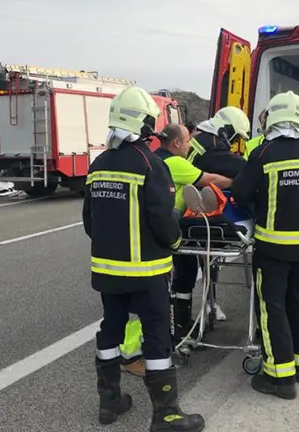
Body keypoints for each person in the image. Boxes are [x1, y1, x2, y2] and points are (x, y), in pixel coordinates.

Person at [83, 85, 205, 431]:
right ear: (144, 122)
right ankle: (166, 415)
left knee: (111, 331)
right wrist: (176, 240)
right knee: (156, 336)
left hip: (107, 271)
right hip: (147, 272)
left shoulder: (99, 163)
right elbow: (163, 220)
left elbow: (89, 219)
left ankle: (109, 405)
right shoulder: (150, 164)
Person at [232, 91, 299, 399]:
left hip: (273, 248)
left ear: (272, 118)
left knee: (272, 308)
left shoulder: (264, 153)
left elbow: (240, 193)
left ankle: (279, 378)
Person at [154, 123, 233, 346]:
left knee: (176, 274)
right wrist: (238, 182)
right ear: (176, 142)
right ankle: (180, 329)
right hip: (171, 225)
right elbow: (211, 180)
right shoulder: (176, 162)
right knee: (185, 272)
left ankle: (179, 326)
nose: (190, 146)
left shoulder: (155, 158)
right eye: (187, 141)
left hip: (158, 225)